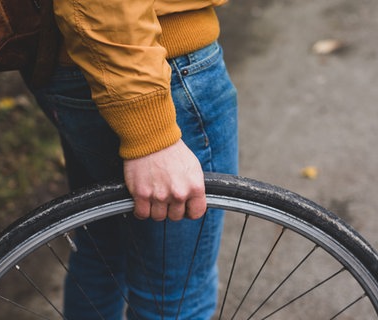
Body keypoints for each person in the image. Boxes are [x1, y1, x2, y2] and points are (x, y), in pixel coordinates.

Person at [27, 0, 238, 318]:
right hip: (151, 63)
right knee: (175, 299)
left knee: (105, 256)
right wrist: (152, 133)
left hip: (77, 57)